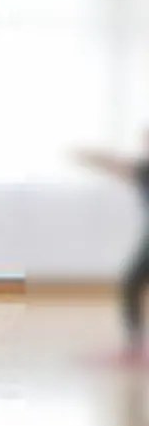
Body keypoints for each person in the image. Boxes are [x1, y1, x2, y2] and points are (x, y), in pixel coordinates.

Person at [79, 132, 149, 358]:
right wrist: (91, 157)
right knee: (131, 284)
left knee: (131, 284)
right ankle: (134, 341)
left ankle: (135, 340)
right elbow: (116, 165)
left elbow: (117, 165)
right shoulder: (143, 170)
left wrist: (91, 157)